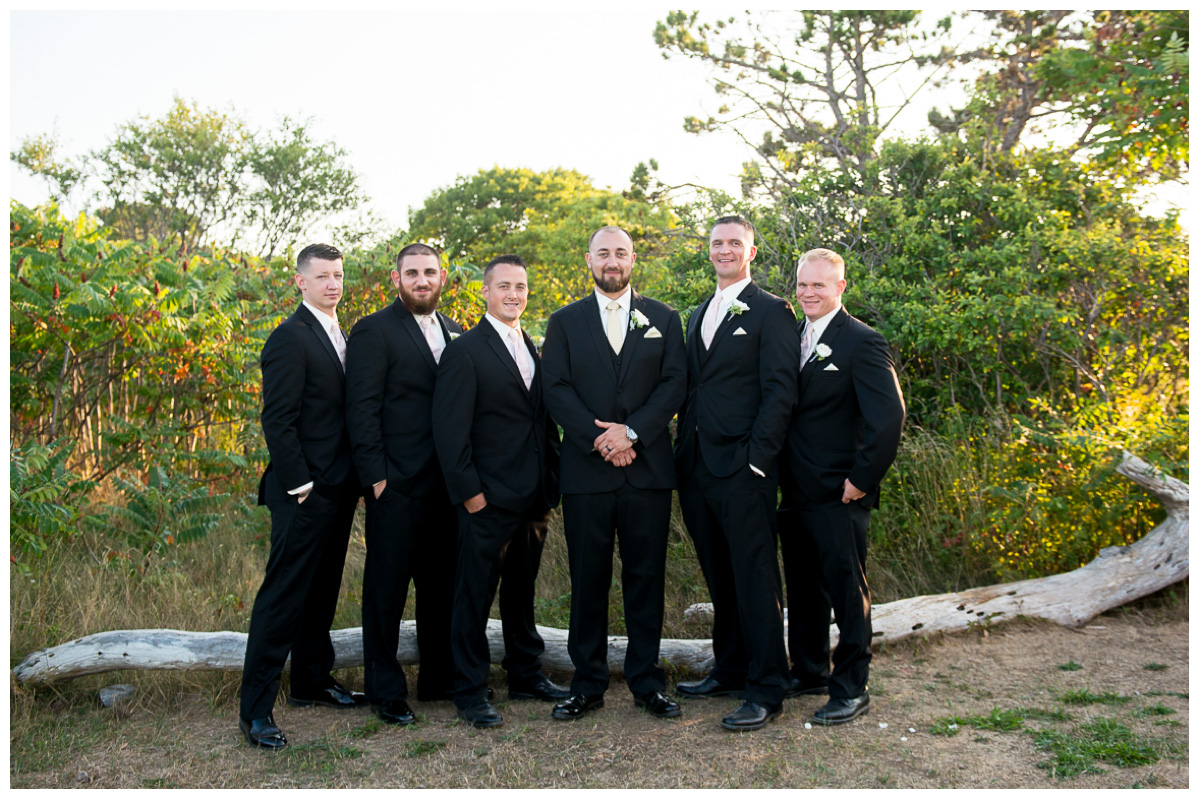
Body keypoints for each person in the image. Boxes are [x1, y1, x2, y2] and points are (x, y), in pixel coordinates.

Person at [539, 226, 687, 721]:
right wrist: (600, 439)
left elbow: (674, 384)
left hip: (647, 472)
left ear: (633, 259)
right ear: (588, 258)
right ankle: (588, 684)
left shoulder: (664, 317)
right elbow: (555, 388)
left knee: (646, 578)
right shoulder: (563, 322)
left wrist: (634, 433)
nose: (612, 261)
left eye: (620, 253)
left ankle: (647, 682)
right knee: (588, 580)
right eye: (603, 252)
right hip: (587, 472)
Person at [673, 216, 800, 731]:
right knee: (719, 575)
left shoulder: (773, 311)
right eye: (717, 243)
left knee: (754, 576)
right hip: (698, 465)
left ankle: (768, 686)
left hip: (744, 468)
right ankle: (728, 669)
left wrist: (757, 459)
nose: (724, 250)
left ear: (751, 251)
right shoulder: (700, 311)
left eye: (734, 243)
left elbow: (781, 391)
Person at [432, 254, 569, 728]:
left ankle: (526, 674)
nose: (514, 294)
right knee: (473, 596)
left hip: (533, 497)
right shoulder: (465, 350)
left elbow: (541, 419)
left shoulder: (531, 344)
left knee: (521, 592)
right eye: (504, 286)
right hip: (486, 498)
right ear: (486, 292)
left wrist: (551, 481)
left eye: (521, 287)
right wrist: (471, 495)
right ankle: (469, 689)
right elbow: (450, 432)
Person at [239, 243, 364, 750]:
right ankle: (255, 712)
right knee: (282, 600)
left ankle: (311, 683)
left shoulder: (341, 334)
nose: (333, 284)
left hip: (338, 490)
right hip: (303, 494)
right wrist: (303, 484)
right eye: (322, 276)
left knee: (321, 595)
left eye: (338, 275)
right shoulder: (290, 337)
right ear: (301, 282)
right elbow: (278, 419)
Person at [777, 248, 905, 725]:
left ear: (840, 288)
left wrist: (861, 480)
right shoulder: (792, 336)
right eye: (803, 284)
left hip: (839, 492)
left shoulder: (862, 342)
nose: (809, 293)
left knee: (847, 592)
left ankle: (852, 686)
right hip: (793, 488)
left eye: (819, 286)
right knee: (804, 588)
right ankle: (808, 669)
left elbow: (888, 419)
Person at [345, 243, 463, 726]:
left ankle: (437, 680)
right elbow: (362, 408)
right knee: (386, 591)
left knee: (441, 588)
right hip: (395, 486)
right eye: (411, 272)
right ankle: (386, 689)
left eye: (429, 272)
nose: (421, 280)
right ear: (396, 279)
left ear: (442, 277)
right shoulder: (373, 330)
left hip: (446, 487)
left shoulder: (457, 332)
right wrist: (375, 478)